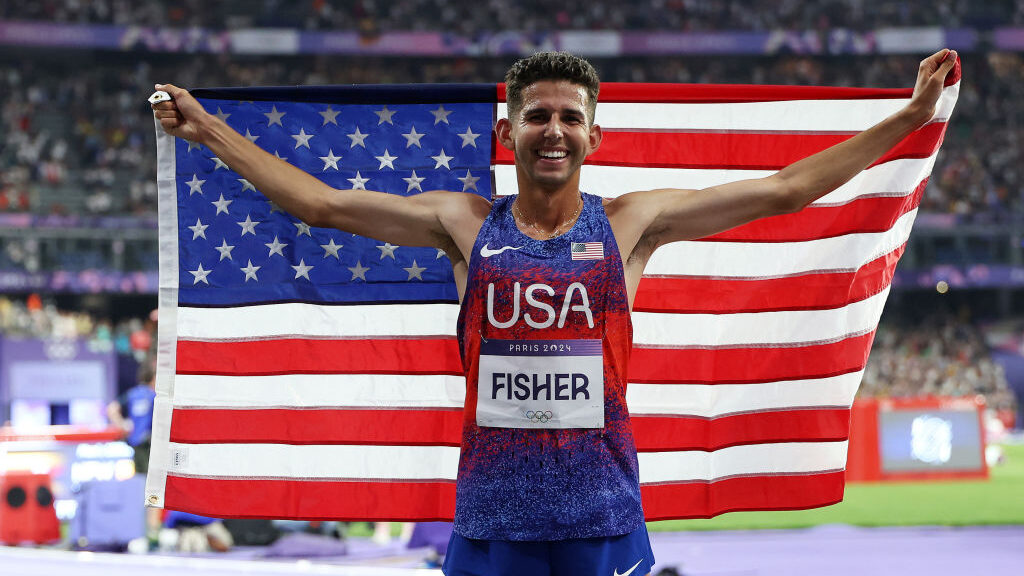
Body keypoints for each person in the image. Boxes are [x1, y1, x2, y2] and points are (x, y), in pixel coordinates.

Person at [152, 49, 957, 576]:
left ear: (594, 136)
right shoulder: (464, 224)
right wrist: (208, 130)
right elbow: (322, 204)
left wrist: (909, 118)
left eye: (570, 116)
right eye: (538, 114)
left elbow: (783, 190)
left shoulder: (631, 224)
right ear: (508, 130)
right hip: (492, 524)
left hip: (601, 518)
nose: (554, 129)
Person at [107, 361, 163, 548]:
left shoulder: (132, 394)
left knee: (141, 490)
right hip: (149, 449)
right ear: (154, 378)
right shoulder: (156, 396)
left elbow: (111, 409)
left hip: (136, 448)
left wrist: (123, 425)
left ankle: (139, 531)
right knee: (153, 491)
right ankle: (152, 534)